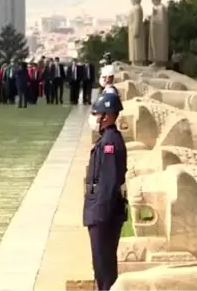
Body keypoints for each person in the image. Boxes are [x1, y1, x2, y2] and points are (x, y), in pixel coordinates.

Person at [83, 92, 128, 291]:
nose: (94, 117)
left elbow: (109, 183)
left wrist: (100, 215)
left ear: (107, 116)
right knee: (101, 265)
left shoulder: (110, 142)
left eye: (96, 113)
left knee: (104, 267)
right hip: (100, 210)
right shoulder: (107, 139)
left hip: (103, 213)